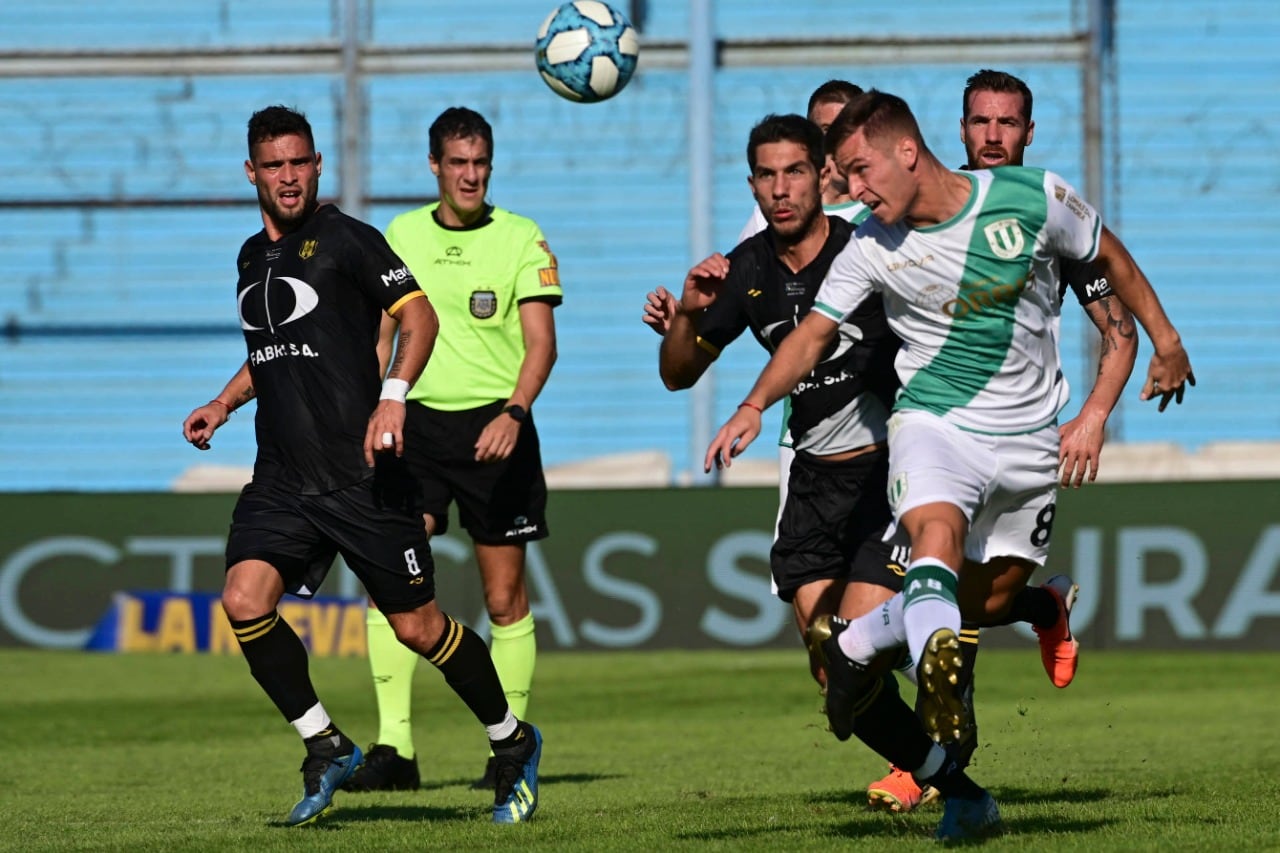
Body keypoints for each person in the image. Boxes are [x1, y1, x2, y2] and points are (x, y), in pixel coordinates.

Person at [705, 90, 1194, 840]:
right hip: (935, 425)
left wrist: (1166, 340)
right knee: (933, 536)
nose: (852, 190)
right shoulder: (870, 245)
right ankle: (934, 707)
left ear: (907, 152)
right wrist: (752, 404)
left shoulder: (1033, 198)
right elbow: (810, 337)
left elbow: (1110, 255)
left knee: (986, 600)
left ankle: (889, 637)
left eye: (860, 171)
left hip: (1028, 441)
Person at [181, 105, 542, 826]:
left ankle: (512, 740)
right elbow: (271, 351)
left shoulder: (348, 238)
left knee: (418, 629)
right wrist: (222, 402)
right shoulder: (251, 258)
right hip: (283, 477)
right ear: (252, 173)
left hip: (361, 474)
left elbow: (421, 317)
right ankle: (325, 743)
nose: (289, 176)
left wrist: (393, 398)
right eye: (275, 165)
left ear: (318, 166)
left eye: (300, 162)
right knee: (244, 600)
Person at [341, 106, 561, 794]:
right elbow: (382, 334)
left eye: (480, 162)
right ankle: (395, 748)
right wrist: (373, 407)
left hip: (498, 428)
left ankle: (510, 748)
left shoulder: (521, 237)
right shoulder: (402, 235)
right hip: (418, 430)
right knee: (390, 579)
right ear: (434, 165)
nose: (470, 175)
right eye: (458, 163)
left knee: (504, 596)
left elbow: (542, 343)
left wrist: (515, 413)